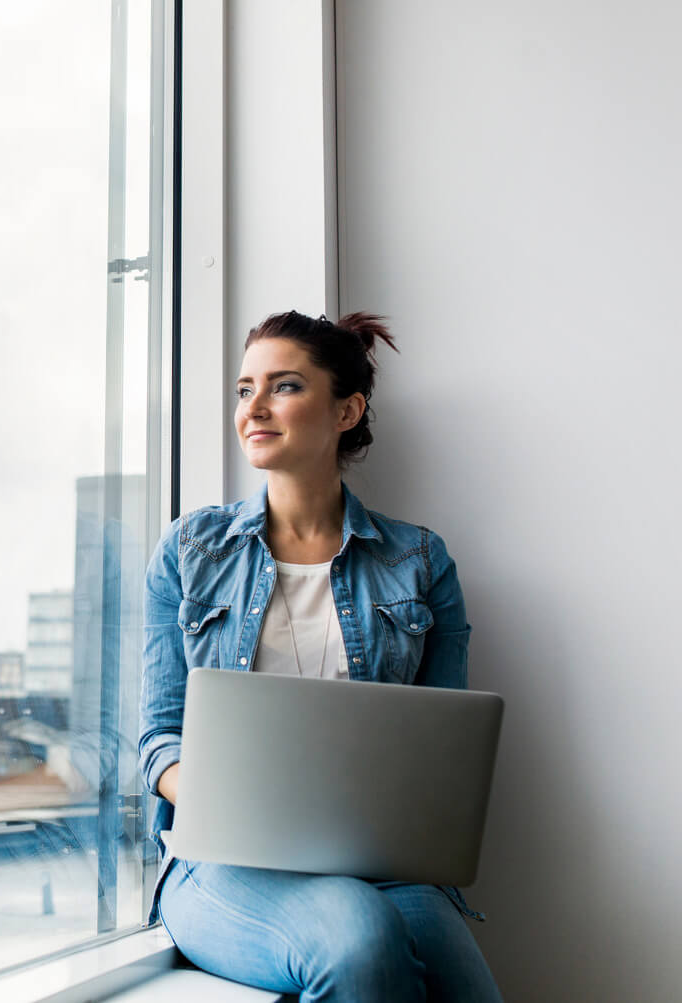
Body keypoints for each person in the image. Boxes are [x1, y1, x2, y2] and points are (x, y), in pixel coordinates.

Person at [138, 310, 502, 1002]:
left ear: (347, 409)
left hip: (381, 863)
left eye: (285, 387)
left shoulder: (421, 561)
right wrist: (231, 801)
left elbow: (445, 755)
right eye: (246, 389)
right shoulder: (191, 552)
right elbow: (157, 740)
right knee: (357, 937)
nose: (256, 408)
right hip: (222, 861)